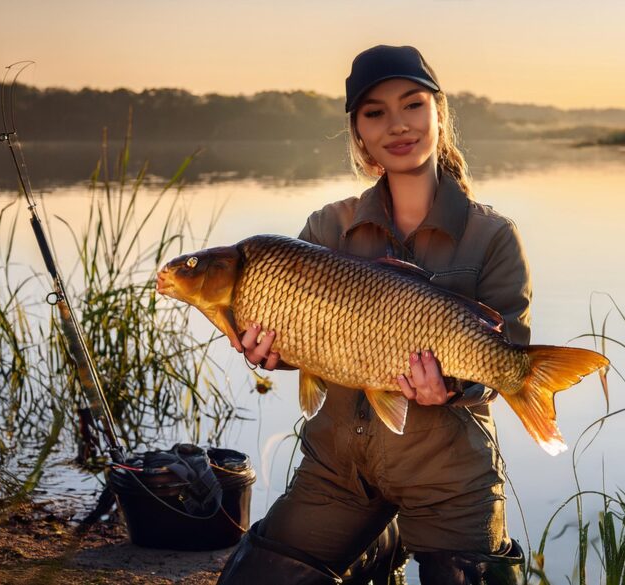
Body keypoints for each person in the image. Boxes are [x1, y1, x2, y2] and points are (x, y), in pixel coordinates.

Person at [217, 45, 531, 585]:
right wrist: (272, 356)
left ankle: (386, 544)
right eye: (375, 113)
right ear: (358, 133)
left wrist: (454, 389)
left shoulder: (492, 236)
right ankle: (376, 548)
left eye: (412, 105)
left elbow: (505, 359)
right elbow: (310, 345)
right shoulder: (327, 227)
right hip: (339, 470)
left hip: (449, 475)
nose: (398, 125)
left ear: (439, 112)